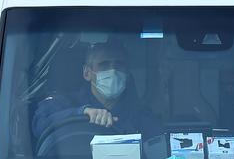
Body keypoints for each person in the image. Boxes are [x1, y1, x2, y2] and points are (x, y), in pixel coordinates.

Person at [32, 41, 160, 141]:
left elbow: (157, 152)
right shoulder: (63, 103)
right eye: (104, 65)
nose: (113, 71)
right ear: (87, 73)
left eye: (119, 65)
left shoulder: (140, 115)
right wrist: (82, 113)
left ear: (127, 73)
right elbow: (39, 125)